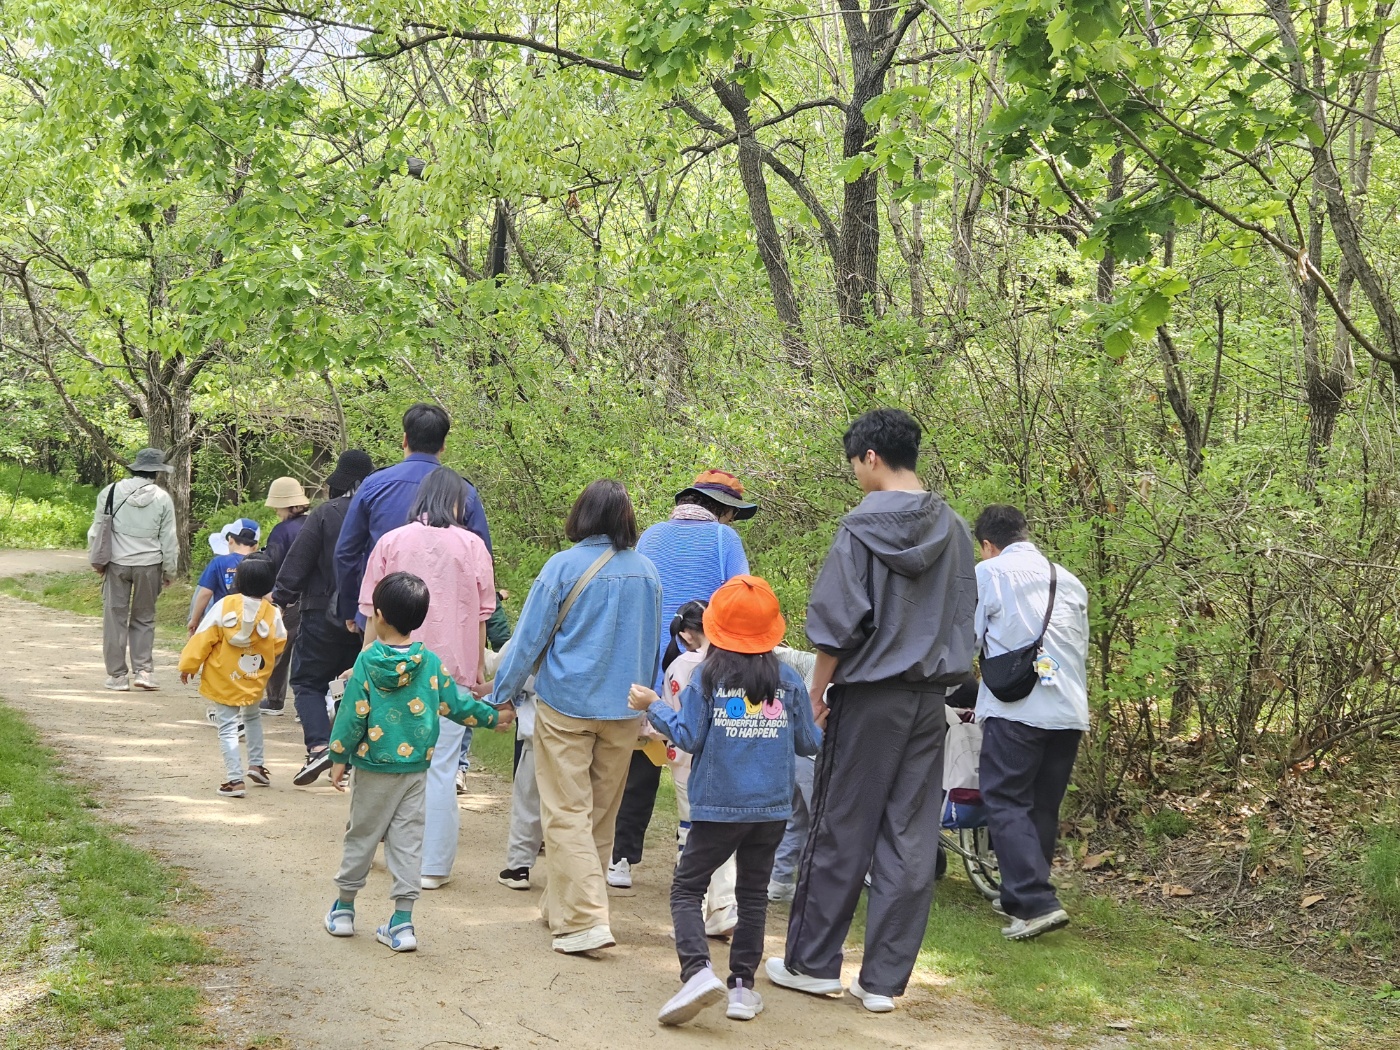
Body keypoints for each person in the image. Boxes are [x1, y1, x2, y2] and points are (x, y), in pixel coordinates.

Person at [768, 408, 977, 1014]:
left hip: (868, 698)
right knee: (911, 837)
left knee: (840, 825)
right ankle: (882, 982)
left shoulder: (858, 530)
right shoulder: (957, 530)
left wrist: (815, 691)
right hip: (929, 700)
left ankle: (811, 963)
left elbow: (836, 625)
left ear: (870, 458)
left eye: (854, 464)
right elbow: (965, 614)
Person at [627, 575, 820, 1026]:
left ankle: (696, 972)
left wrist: (653, 704)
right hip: (772, 809)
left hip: (718, 806)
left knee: (687, 887)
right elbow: (808, 742)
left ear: (715, 629)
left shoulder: (708, 677)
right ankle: (740, 988)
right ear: (772, 630)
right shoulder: (788, 679)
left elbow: (688, 736)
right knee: (753, 896)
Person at [490, 480, 662, 955]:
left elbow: (527, 640)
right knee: (600, 817)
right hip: (625, 709)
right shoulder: (647, 572)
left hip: (566, 705)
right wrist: (649, 706)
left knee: (565, 813)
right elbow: (650, 645)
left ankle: (584, 919)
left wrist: (502, 696)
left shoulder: (562, 566)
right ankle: (562, 906)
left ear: (581, 515)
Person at [323, 571, 511, 953]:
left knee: (361, 835)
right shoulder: (430, 663)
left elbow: (353, 715)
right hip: (414, 772)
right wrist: (495, 717)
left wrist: (339, 756)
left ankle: (344, 911)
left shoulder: (367, 663)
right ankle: (403, 923)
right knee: (408, 844)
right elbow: (456, 706)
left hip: (374, 767)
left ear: (378, 616)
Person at [609, 470, 754, 891]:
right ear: (724, 510)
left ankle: (620, 858)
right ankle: (693, 861)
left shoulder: (652, 535)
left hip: (649, 664)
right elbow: (737, 600)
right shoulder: (726, 541)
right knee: (698, 766)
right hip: (700, 666)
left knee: (640, 765)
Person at [358, 467, 496, 890]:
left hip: (391, 667)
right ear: (458, 505)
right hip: (449, 674)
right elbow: (481, 617)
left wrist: (364, 659)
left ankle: (387, 851)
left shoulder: (391, 542)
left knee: (387, 762)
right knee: (441, 768)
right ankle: (433, 866)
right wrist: (475, 672)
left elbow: (371, 610)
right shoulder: (473, 546)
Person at [973, 504, 1089, 941]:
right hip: (1069, 709)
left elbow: (968, 637)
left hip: (1019, 709)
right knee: (1041, 805)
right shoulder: (1069, 580)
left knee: (1004, 798)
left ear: (988, 545)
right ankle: (1022, 896)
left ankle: (1036, 901)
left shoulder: (990, 574)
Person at [333, 403, 490, 632]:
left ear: (405, 439)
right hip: (447, 623)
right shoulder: (464, 492)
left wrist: (352, 608)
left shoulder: (374, 486)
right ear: (443, 444)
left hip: (383, 615)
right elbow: (483, 561)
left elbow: (346, 552)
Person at [272, 449, 376, 786]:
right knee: (354, 685)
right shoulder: (381, 512)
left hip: (320, 611)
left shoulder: (325, 513)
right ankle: (348, 759)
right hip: (368, 617)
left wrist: (280, 598)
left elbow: (298, 561)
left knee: (308, 682)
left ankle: (319, 745)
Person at [656, 600, 739, 937]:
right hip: (725, 758)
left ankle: (691, 907)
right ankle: (723, 906)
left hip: (685, 758)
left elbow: (669, 716)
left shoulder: (678, 667)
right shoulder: (733, 664)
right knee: (721, 831)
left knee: (691, 832)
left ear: (688, 633)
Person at [178, 556, 287, 798]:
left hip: (224, 677)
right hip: (253, 677)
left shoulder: (225, 606)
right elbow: (279, 643)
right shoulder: (272, 612)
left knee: (227, 726)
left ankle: (234, 779)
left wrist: (189, 665)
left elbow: (204, 638)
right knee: (252, 716)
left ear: (238, 581)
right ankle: (257, 765)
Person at [89, 447, 178, 692]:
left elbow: (97, 531)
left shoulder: (111, 492)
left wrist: (97, 560)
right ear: (156, 473)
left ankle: (117, 676)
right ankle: (144, 671)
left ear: (135, 468)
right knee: (144, 618)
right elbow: (169, 540)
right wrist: (169, 571)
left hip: (117, 563)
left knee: (114, 619)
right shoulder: (162, 499)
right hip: (149, 565)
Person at [766, 646, 818, 902]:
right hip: (814, 759)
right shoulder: (843, 675)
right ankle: (812, 887)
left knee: (796, 820)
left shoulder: (814, 665)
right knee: (819, 826)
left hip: (796, 757)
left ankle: (780, 881)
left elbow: (784, 654)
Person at [259, 477, 311, 715]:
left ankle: (274, 699)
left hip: (288, 598)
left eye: (278, 507)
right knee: (310, 652)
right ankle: (309, 706)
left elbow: (273, 564)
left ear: (287, 505)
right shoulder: (315, 523)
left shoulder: (282, 531)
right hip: (317, 598)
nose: (277, 512)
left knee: (278, 648)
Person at [189, 519, 261, 634]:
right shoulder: (262, 564)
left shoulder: (218, 562)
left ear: (230, 540)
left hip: (222, 622)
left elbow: (205, 593)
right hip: (252, 623)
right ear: (255, 545)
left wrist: (194, 620)